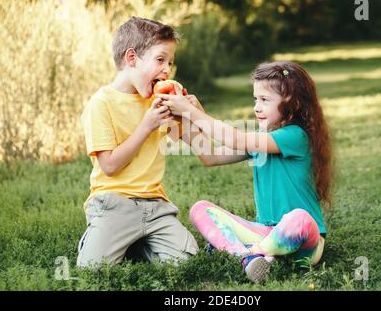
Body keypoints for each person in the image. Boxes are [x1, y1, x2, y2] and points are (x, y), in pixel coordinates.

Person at [157, 61, 333, 283]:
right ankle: (249, 258)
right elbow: (210, 156)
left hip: (303, 242)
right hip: (265, 232)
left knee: (299, 218)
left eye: (265, 100)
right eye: (255, 99)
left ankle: (251, 251)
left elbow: (236, 139)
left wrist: (192, 111)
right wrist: (184, 120)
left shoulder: (295, 136)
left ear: (293, 103)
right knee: (200, 209)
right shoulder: (262, 139)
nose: (257, 107)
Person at [76, 17, 201, 268]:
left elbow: (181, 137)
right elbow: (109, 166)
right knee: (93, 269)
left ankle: (136, 242)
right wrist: (147, 125)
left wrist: (190, 112)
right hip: (114, 204)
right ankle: (107, 236)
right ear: (132, 58)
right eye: (160, 60)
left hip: (156, 205)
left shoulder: (156, 100)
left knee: (187, 261)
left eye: (170, 63)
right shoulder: (101, 103)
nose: (167, 70)